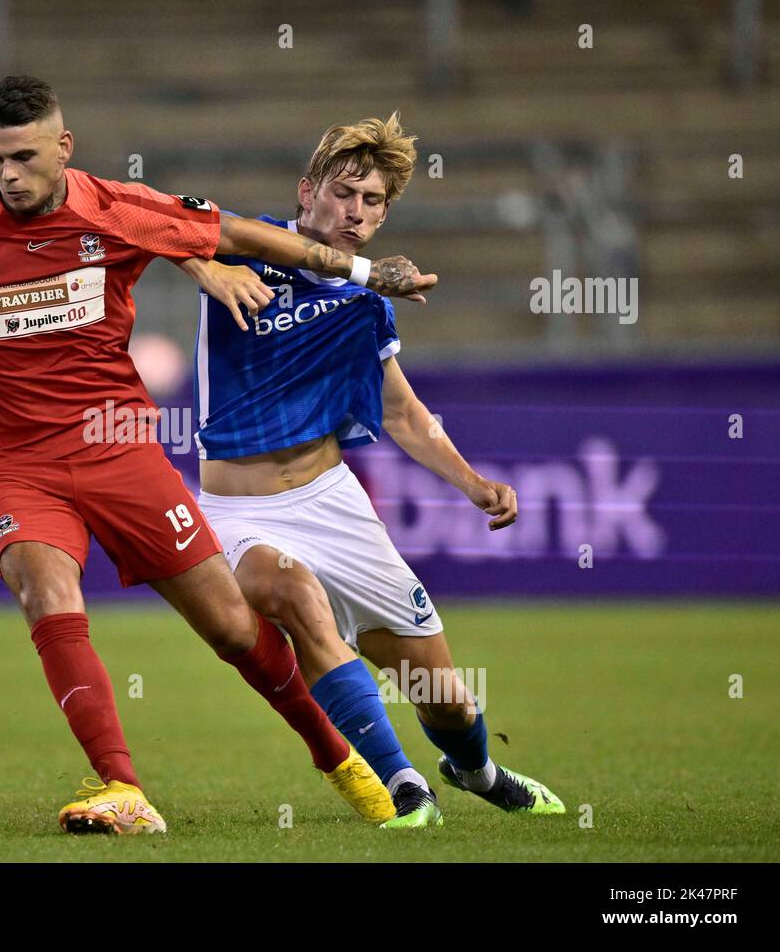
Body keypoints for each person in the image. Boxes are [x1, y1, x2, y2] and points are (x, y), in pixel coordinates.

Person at [0, 76, 438, 834]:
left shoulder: (114, 209)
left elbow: (242, 235)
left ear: (63, 147)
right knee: (47, 593)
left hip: (118, 448)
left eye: (25, 157)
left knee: (233, 628)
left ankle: (341, 761)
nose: (8, 175)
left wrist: (363, 272)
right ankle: (121, 788)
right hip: (13, 465)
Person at [181, 114, 564, 823]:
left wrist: (477, 486)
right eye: (344, 192)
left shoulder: (366, 306)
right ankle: (401, 782)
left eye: (374, 201)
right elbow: (171, 223)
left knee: (442, 694)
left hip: (333, 504)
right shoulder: (249, 247)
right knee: (294, 598)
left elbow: (402, 416)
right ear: (308, 190)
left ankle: (476, 772)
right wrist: (203, 264)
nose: (356, 212)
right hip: (239, 511)